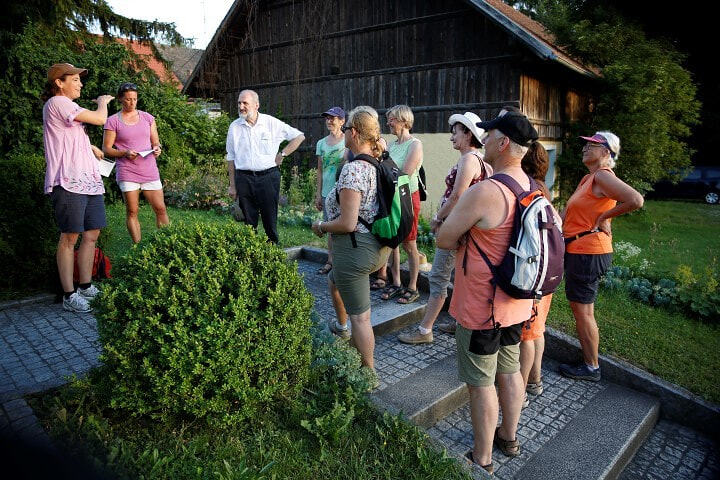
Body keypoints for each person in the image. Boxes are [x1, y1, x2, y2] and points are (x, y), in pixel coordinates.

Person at [436, 112, 540, 473]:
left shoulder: (486, 191)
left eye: (489, 133)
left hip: (482, 306)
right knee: (510, 371)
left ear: (504, 143)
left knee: (480, 383)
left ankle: (482, 458)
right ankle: (508, 437)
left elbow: (444, 238)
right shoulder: (533, 187)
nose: (484, 138)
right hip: (517, 302)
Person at [310, 107, 391, 380]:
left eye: (346, 129)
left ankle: (368, 374)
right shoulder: (377, 162)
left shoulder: (353, 169)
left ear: (353, 132)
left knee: (362, 318)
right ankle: (342, 327)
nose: (343, 132)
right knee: (334, 280)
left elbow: (347, 223)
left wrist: (321, 226)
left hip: (355, 249)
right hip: (378, 246)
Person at [398, 112, 492, 344]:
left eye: (455, 132)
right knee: (458, 277)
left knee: (438, 276)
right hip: (465, 230)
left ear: (468, 134)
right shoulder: (480, 160)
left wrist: (438, 218)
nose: (451, 137)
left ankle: (425, 330)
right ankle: (459, 323)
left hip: (454, 229)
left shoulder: (469, 160)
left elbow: (458, 195)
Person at [559, 132, 643, 381]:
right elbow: (569, 214)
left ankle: (591, 367)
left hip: (588, 252)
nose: (585, 148)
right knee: (581, 310)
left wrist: (604, 217)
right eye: (585, 144)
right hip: (580, 250)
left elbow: (635, 200)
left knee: (584, 312)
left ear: (606, 152)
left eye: (592, 145)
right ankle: (589, 360)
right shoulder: (589, 178)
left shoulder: (603, 175)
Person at [42, 63, 114, 313]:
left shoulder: (67, 109)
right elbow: (100, 118)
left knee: (92, 234)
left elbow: (67, 138)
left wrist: (89, 147)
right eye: (75, 80)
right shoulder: (58, 102)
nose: (80, 84)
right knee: (69, 238)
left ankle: (85, 286)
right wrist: (103, 102)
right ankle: (69, 295)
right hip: (69, 181)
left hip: (89, 182)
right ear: (59, 83)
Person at [226, 89, 305, 244]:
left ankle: (272, 248)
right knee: (249, 220)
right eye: (239, 103)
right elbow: (231, 157)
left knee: (270, 217)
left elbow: (299, 136)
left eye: (245, 103)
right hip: (244, 178)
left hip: (268, 177)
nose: (241, 107)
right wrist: (232, 186)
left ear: (256, 105)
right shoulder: (234, 127)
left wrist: (282, 154)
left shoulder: (271, 123)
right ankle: (251, 249)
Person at [102, 82, 169, 243]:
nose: (132, 103)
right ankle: (137, 247)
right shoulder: (113, 121)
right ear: (120, 99)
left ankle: (166, 244)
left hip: (149, 169)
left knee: (160, 208)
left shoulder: (147, 118)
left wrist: (157, 148)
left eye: (135, 99)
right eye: (128, 99)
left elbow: (156, 142)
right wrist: (124, 153)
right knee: (132, 211)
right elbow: (106, 149)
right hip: (127, 171)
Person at [518, 142, 557, 406]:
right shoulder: (544, 189)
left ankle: (519, 390)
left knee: (526, 336)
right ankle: (535, 379)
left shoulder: (530, 190)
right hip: (548, 272)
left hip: (534, 274)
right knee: (537, 330)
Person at [376, 105, 423, 305]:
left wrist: (384, 164)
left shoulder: (415, 144)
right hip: (391, 196)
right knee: (392, 241)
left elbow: (404, 173)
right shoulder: (392, 145)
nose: (388, 123)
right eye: (388, 119)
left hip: (407, 197)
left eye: (392, 119)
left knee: (409, 243)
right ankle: (396, 283)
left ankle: (413, 286)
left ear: (404, 121)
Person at [314, 106, 346, 275]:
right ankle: (330, 261)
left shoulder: (348, 141)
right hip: (327, 193)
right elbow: (320, 171)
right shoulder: (321, 143)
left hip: (344, 192)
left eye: (332, 118)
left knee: (346, 227)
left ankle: (344, 262)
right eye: (327, 118)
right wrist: (318, 194)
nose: (329, 121)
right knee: (330, 228)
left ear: (342, 121)